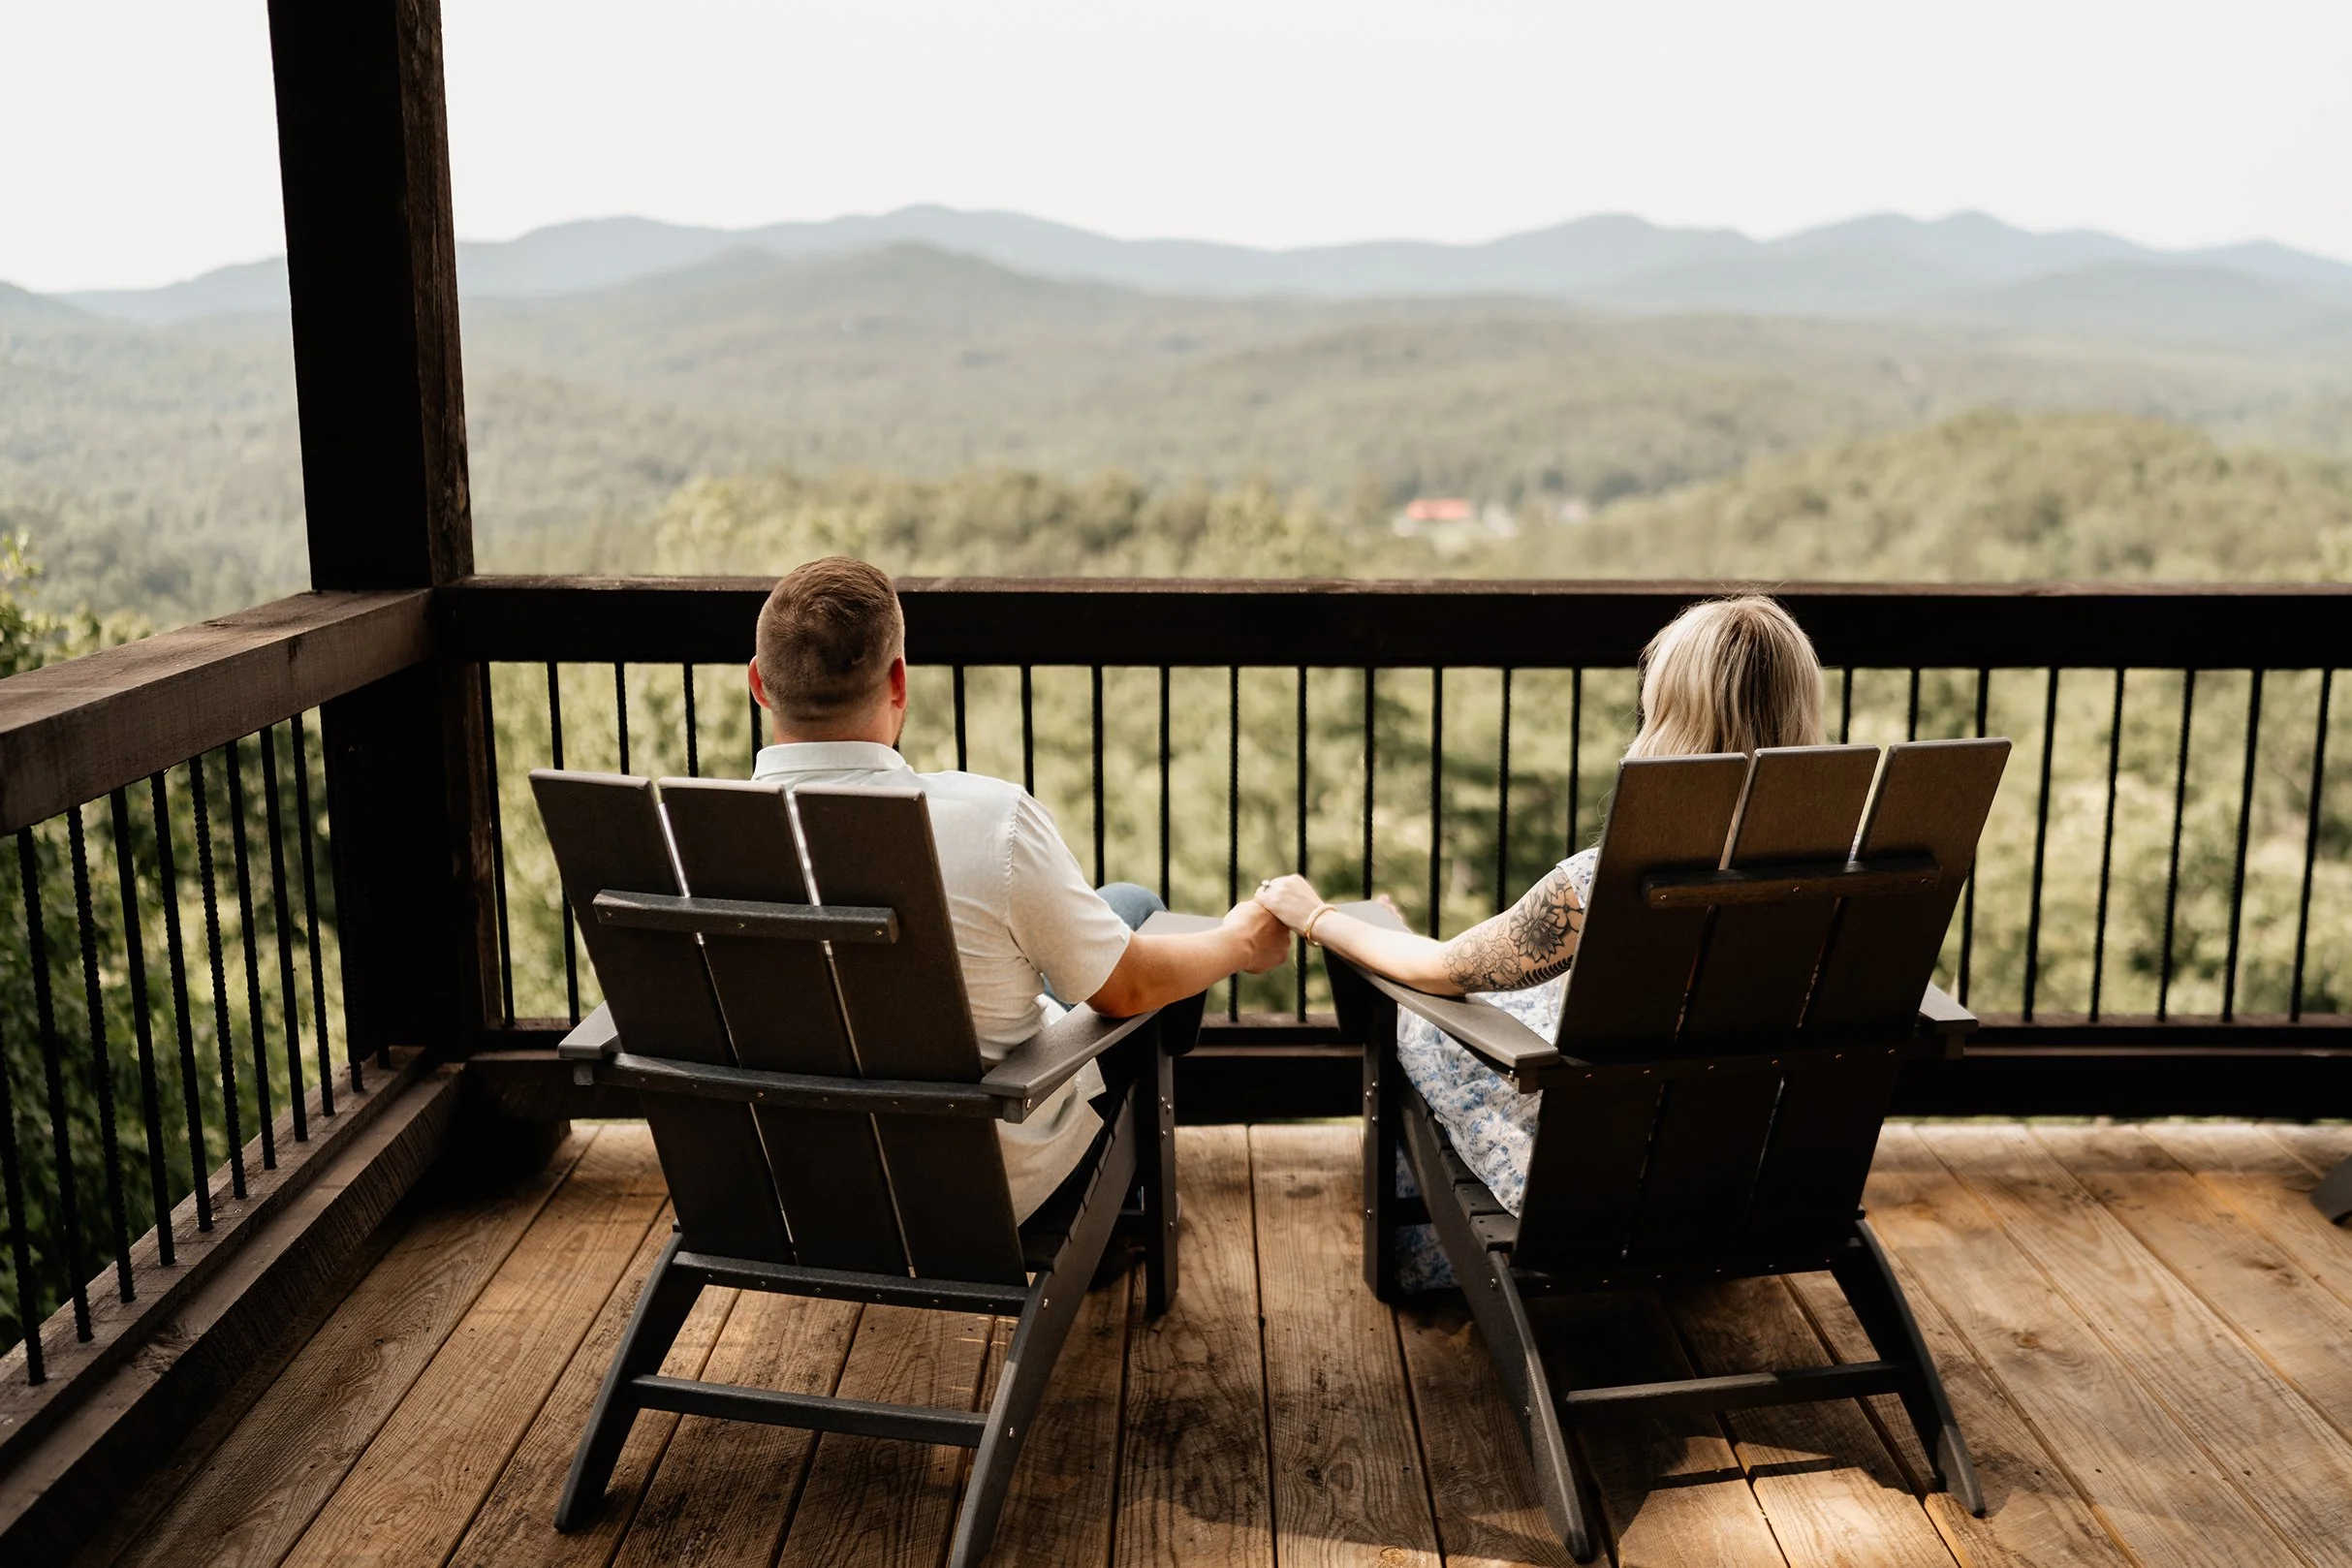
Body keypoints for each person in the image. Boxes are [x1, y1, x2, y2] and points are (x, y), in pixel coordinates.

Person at [1253, 595, 1827, 1286]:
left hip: (1605, 1174)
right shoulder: (1841, 874)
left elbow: (1442, 971)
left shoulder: (1605, 883)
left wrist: (1320, 918)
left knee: (1417, 1018)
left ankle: (1431, 1262)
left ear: (1670, 710)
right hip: (1754, 1167)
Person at [747, 556, 1290, 1220]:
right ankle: (1122, 1205)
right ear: (897, 681)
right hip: (972, 1183)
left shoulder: (699, 841)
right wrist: (1237, 942)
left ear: (758, 685)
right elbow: (1128, 991)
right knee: (1138, 914)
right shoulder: (985, 821)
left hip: (797, 1177)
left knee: (1118, 907)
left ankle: (1126, 1200)